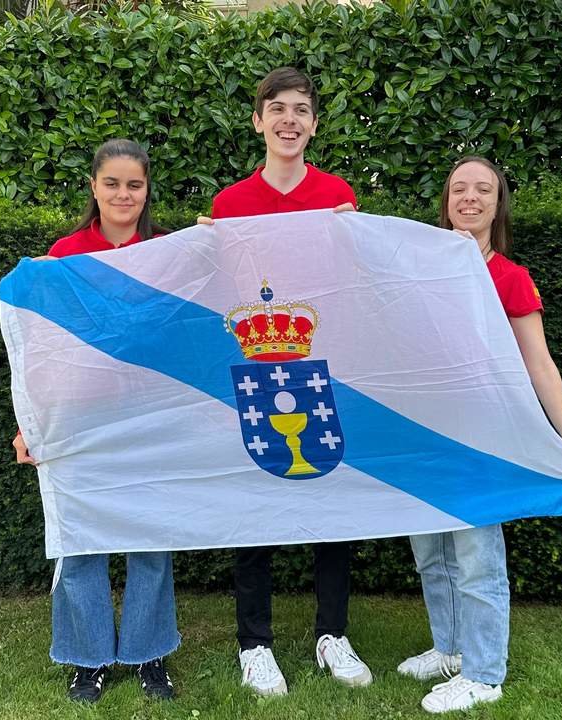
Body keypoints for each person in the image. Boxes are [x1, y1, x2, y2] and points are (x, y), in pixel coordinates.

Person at [398, 156, 562, 713]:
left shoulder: (510, 277)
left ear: (497, 202)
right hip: (426, 437)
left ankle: (484, 674)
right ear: (445, 200)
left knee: (476, 558)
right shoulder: (419, 270)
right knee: (431, 554)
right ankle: (451, 649)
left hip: (483, 441)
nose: (469, 198)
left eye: (482, 189)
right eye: (458, 189)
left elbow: (539, 364)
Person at [200, 67, 370, 696]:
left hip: (323, 368)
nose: (289, 120)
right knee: (257, 504)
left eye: (301, 110)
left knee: (331, 499)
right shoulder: (229, 205)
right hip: (252, 370)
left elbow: (352, 286)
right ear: (258, 121)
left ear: (315, 124)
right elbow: (217, 289)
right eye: (278, 109)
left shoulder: (338, 196)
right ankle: (255, 643)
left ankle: (333, 634)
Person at [12, 139, 179, 703]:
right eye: (113, 183)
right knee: (80, 541)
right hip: (80, 419)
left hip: (150, 416)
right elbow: (39, 351)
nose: (123, 194)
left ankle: (148, 654)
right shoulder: (63, 255)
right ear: (94, 187)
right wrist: (29, 425)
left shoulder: (166, 253)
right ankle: (88, 658)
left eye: (134, 184)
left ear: (146, 189)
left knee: (150, 538)